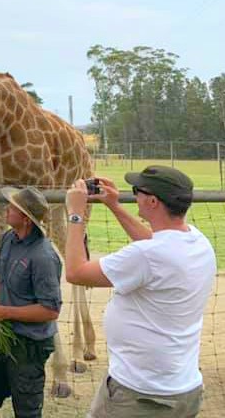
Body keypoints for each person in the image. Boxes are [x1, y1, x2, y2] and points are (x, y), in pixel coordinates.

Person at [65, 166, 216, 417]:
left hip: (140, 395)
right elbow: (153, 243)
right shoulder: (197, 241)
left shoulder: (147, 256)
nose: (134, 195)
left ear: (153, 201)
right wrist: (115, 205)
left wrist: (76, 214)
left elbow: (76, 272)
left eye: (137, 191)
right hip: (182, 389)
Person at [0, 186, 62, 418]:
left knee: (26, 412)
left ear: (25, 218)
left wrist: (5, 312)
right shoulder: (8, 240)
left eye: (12, 207)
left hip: (29, 345)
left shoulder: (44, 257)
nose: (6, 209)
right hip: (1, 337)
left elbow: (50, 310)